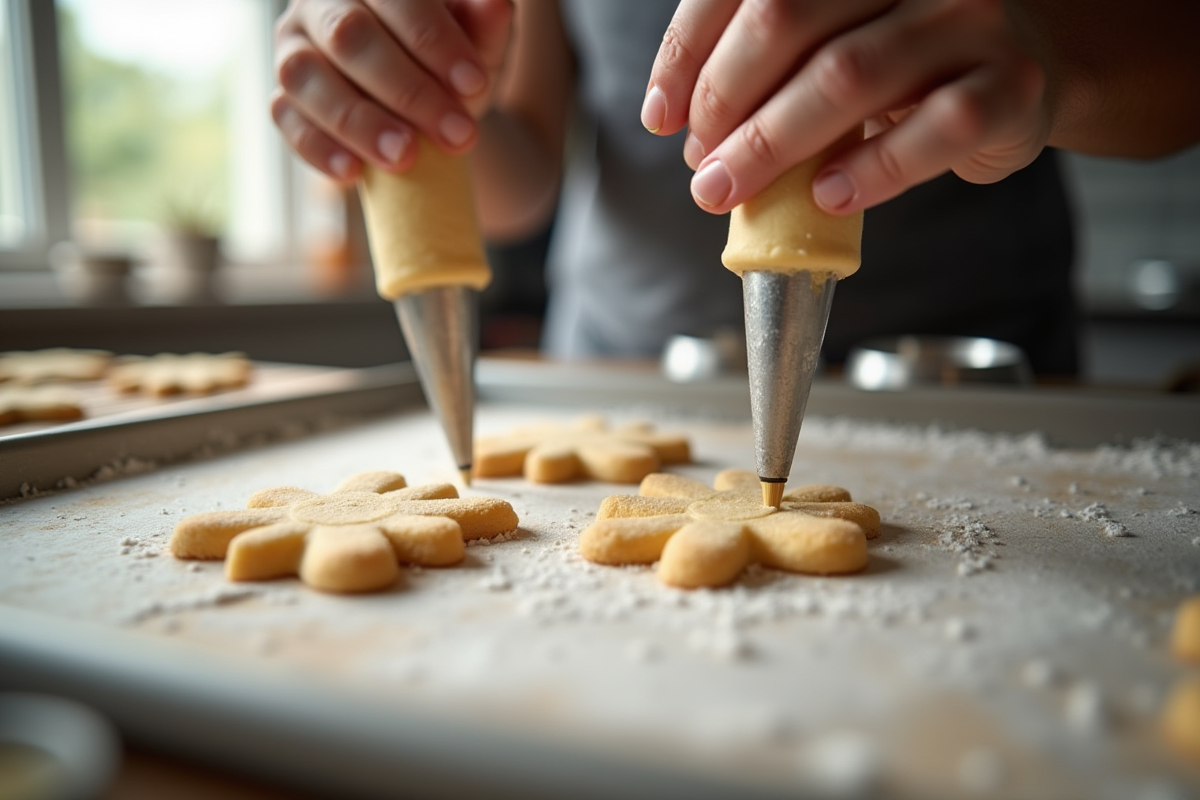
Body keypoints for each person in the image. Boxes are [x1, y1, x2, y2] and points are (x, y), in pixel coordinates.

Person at [269, 0, 1200, 377]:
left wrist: (1050, 54)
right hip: (624, 377)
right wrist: (401, 101)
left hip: (984, 383)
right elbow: (520, 180)